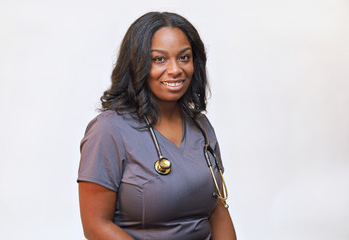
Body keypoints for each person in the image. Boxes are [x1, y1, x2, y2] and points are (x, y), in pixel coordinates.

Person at [77, 11, 237, 240]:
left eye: (184, 57)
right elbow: (95, 225)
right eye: (159, 59)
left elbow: (217, 208)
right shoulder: (109, 130)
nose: (175, 69)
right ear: (136, 63)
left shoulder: (200, 126)